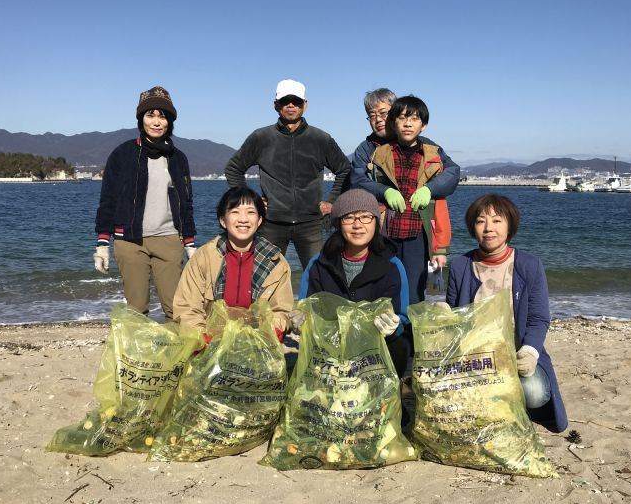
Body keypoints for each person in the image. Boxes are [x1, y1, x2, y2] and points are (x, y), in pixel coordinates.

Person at [445, 194, 568, 433]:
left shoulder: (529, 265)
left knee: (535, 393)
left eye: (497, 220)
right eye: (481, 221)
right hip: (475, 358)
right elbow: (456, 315)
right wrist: (442, 315)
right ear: (473, 227)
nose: (488, 228)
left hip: (515, 355)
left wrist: (530, 351)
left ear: (510, 225)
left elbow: (539, 317)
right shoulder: (460, 265)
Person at [224, 79, 351, 269]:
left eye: (296, 101)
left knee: (320, 275)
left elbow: (345, 169)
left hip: (311, 223)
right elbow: (233, 168)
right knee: (264, 278)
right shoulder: (261, 137)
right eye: (285, 101)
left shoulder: (320, 139)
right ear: (276, 105)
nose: (291, 105)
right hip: (271, 223)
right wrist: (251, 202)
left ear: (305, 105)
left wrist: (332, 200)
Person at [94, 86, 196, 320]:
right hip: (130, 242)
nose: (157, 122)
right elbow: (108, 200)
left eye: (163, 116)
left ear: (170, 121)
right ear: (141, 118)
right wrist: (102, 243)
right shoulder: (123, 154)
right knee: (136, 310)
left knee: (176, 309)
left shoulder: (178, 158)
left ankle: (176, 356)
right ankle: (139, 356)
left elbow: (186, 203)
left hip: (169, 240)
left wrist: (190, 243)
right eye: (151, 115)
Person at [296, 189, 411, 380]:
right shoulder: (319, 264)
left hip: (374, 351)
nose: (357, 225)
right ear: (338, 224)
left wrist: (393, 325)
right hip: (331, 350)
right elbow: (307, 305)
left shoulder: (392, 265)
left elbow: (402, 316)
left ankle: (389, 392)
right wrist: (300, 319)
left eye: (366, 217)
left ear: (376, 222)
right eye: (349, 218)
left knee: (401, 344)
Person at [360, 95, 453, 307]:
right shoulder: (379, 155)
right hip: (386, 232)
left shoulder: (433, 156)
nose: (408, 123)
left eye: (414, 118)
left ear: (424, 125)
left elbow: (439, 207)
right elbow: (364, 186)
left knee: (413, 292)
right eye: (402, 118)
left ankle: (411, 335)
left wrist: (439, 249)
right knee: (384, 289)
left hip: (417, 236)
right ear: (393, 123)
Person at [173, 186, 292, 339]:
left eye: (250, 212)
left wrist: (271, 330)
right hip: (211, 339)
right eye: (235, 212)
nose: (243, 219)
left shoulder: (275, 261)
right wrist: (202, 336)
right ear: (223, 220)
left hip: (258, 341)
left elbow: (282, 310)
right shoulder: (204, 256)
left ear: (259, 220)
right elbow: (187, 307)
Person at [349, 88, 460, 200]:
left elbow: (452, 171)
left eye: (383, 113)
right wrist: (384, 191)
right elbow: (357, 180)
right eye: (372, 116)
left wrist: (430, 189)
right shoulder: (365, 149)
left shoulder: (426, 145)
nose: (378, 119)